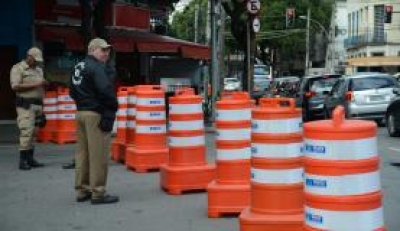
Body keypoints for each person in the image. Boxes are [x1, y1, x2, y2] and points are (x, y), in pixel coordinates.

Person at [69, 38, 119, 204]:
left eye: (108, 51)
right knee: (98, 155)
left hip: (81, 113)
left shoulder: (79, 66)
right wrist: (113, 107)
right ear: (92, 50)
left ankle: (82, 190)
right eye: (103, 50)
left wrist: (83, 102)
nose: (106, 54)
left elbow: (71, 92)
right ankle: (98, 192)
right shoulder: (96, 67)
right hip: (95, 115)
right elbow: (105, 89)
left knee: (82, 154)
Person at [10, 47, 47, 170]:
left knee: (34, 133)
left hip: (38, 105)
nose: (36, 62)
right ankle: (23, 160)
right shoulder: (18, 68)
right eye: (35, 60)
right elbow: (15, 87)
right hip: (25, 105)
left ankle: (30, 159)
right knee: (27, 131)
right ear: (29, 57)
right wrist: (37, 84)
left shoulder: (39, 70)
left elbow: (40, 88)